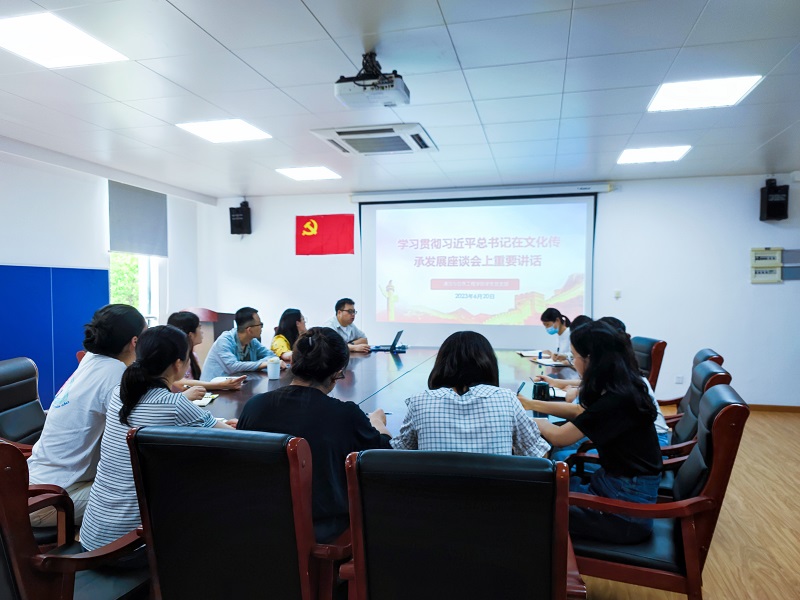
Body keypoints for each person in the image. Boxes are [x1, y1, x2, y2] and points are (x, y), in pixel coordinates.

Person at [80, 325, 235, 554]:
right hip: (132, 548)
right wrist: (229, 425)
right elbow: (236, 441)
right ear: (178, 364)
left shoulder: (119, 393)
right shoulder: (175, 404)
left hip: (92, 540)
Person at [237, 327, 391, 543]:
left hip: (258, 523)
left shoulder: (254, 407)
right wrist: (378, 424)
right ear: (336, 372)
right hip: (323, 530)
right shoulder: (345, 415)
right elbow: (383, 461)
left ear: (293, 362)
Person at [531, 320, 663, 544]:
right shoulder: (622, 387)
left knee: (535, 508)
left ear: (591, 359)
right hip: (616, 488)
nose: (573, 362)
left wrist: (531, 420)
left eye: (574, 356)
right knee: (548, 487)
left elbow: (559, 438)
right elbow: (581, 417)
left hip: (624, 512)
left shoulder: (616, 400)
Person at [27, 304, 147, 527]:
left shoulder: (91, 361)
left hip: (29, 486)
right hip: (50, 502)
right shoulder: (116, 374)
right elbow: (138, 430)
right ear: (135, 342)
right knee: (150, 491)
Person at [391, 331, 549, 457]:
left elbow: (400, 455)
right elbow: (539, 457)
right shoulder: (507, 399)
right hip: (495, 490)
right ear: (488, 363)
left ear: (442, 363)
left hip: (436, 489)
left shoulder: (419, 402)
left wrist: (380, 427)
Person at [167, 311, 246, 391]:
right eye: (199, 328)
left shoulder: (193, 356)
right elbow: (181, 383)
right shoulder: (171, 359)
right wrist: (221, 385)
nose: (201, 331)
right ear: (190, 335)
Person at [201, 307, 284, 379]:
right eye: (260, 324)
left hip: (234, 385)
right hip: (212, 389)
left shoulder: (252, 341)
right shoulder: (224, 341)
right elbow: (233, 367)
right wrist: (265, 363)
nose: (261, 328)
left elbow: (271, 356)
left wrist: (265, 363)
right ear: (249, 330)